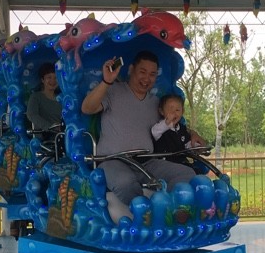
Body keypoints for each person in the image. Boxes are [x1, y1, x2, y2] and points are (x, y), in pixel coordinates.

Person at [81, 51, 197, 204]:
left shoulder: (156, 103)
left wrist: (192, 133)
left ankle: (166, 208)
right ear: (131, 69)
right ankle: (144, 213)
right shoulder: (113, 91)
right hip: (113, 160)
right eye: (142, 72)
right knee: (125, 183)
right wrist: (106, 81)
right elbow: (87, 109)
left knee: (187, 173)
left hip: (147, 161)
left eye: (152, 74)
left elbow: (172, 125)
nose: (147, 78)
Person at [151, 93, 207, 167]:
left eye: (177, 110)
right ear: (161, 111)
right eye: (170, 109)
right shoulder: (160, 127)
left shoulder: (182, 128)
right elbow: (154, 131)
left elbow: (187, 144)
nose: (174, 113)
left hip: (181, 163)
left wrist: (196, 146)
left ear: (182, 112)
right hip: (165, 164)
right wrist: (167, 122)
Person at [25, 62, 63, 135]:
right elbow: (31, 115)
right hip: (45, 137)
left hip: (62, 135)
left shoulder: (62, 98)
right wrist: (50, 127)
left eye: (55, 78)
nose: (53, 81)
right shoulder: (35, 97)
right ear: (42, 80)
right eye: (49, 77)